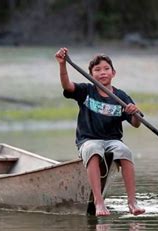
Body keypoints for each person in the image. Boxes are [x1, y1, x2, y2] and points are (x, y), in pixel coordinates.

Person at [55, 47, 145, 217]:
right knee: (93, 150)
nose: (102, 73)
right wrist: (62, 65)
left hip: (113, 140)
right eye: (97, 70)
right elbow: (67, 85)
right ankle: (98, 201)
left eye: (106, 69)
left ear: (113, 73)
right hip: (88, 140)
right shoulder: (86, 91)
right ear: (91, 74)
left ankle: (132, 202)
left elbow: (135, 124)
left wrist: (135, 113)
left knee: (125, 151)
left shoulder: (121, 96)